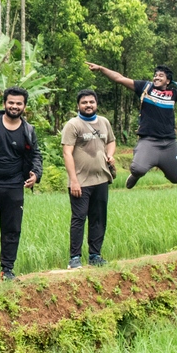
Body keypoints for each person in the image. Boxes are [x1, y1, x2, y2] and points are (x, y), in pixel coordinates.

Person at [87, 63, 177, 187]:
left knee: (176, 178)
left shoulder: (174, 93)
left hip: (169, 143)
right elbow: (119, 78)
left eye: (161, 76)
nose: (156, 78)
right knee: (137, 169)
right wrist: (101, 68)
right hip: (148, 141)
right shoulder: (145, 87)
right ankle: (136, 175)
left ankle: (163, 162)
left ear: (168, 81)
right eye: (155, 75)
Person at [0, 87, 43, 282]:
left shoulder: (28, 130)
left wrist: (36, 174)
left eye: (18, 103)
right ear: (4, 103)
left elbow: (36, 154)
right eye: (11, 102)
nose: (14, 106)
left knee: (12, 229)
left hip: (14, 186)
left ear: (24, 106)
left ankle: (7, 270)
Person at [60, 89, 116, 269]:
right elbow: (67, 153)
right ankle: (75, 258)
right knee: (79, 218)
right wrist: (73, 180)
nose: (88, 105)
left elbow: (111, 141)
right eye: (84, 102)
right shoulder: (73, 125)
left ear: (96, 104)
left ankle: (95, 255)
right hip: (80, 182)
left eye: (91, 102)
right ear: (78, 105)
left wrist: (110, 155)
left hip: (101, 179)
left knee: (99, 218)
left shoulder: (104, 122)